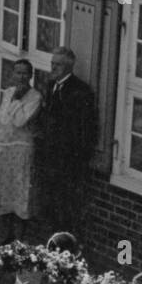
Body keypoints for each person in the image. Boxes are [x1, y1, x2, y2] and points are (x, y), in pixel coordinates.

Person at [36, 45, 97, 235]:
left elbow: (87, 128)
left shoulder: (80, 91)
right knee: (50, 200)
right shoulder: (51, 85)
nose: (53, 68)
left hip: (68, 159)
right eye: (52, 64)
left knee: (66, 203)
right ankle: (52, 238)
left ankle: (65, 241)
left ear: (69, 67)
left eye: (58, 65)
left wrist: (78, 158)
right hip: (50, 156)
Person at [0, 59, 41, 240]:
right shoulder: (8, 92)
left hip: (20, 151)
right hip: (2, 149)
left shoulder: (35, 97)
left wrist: (19, 100)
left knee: (17, 195)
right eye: (17, 72)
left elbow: (20, 121)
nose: (20, 77)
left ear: (30, 76)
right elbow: (1, 119)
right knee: (0, 193)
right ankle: (0, 235)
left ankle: (17, 240)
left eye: (24, 73)